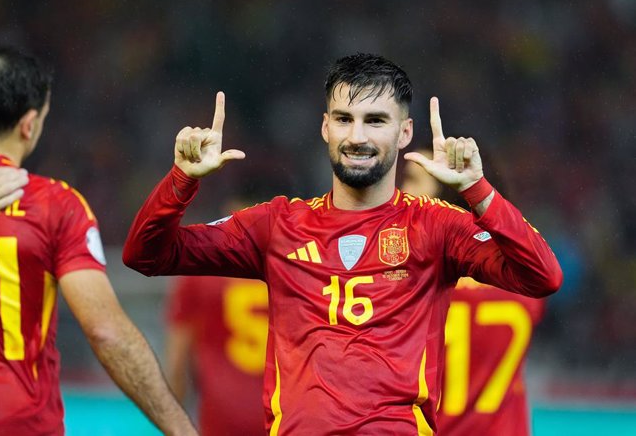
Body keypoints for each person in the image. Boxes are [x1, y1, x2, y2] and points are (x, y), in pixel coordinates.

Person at [123, 53, 562, 435]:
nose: (357, 137)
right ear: (325, 128)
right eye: (344, 119)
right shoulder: (276, 224)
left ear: (405, 132)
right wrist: (181, 181)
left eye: (375, 121)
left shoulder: (437, 226)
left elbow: (542, 276)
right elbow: (145, 254)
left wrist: (478, 191)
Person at [0, 44, 196, 436]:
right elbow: (106, 331)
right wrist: (181, 429)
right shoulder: (55, 205)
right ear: (29, 124)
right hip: (19, 424)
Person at [402, 150, 546, 435]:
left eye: (412, 180)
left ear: (444, 193)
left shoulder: (417, 287)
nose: (402, 191)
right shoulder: (523, 287)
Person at [165, 196, 268, 436]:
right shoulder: (293, 270)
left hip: (221, 422)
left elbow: (177, 361)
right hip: (284, 419)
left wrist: (173, 425)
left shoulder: (200, 273)